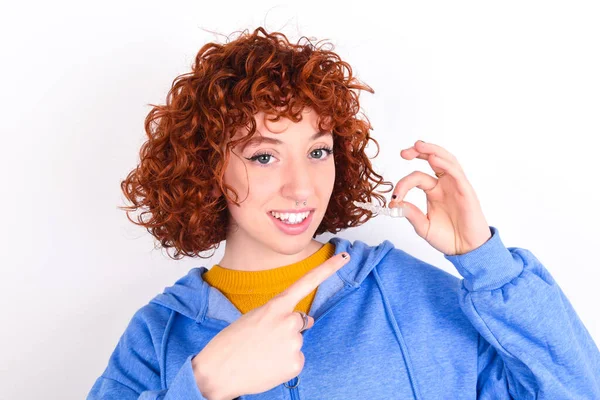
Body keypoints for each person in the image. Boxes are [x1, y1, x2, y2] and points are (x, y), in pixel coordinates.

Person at [87, 27, 600, 399]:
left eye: (318, 151)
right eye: (264, 156)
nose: (301, 186)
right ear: (207, 167)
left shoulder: (409, 295)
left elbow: (576, 388)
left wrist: (488, 265)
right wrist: (201, 387)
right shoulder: (160, 334)